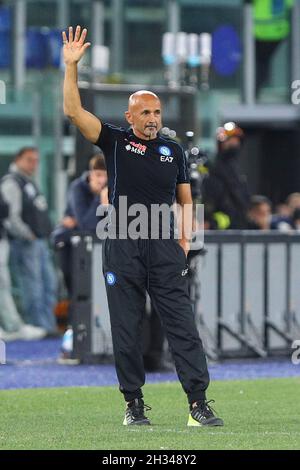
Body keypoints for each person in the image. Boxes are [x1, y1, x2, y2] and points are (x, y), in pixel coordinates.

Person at [62, 25, 223, 427]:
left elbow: (186, 200)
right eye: (145, 112)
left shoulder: (174, 151)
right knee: (126, 328)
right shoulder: (114, 141)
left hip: (165, 244)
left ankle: (197, 404)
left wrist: (184, 239)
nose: (152, 118)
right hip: (123, 243)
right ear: (129, 116)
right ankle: (133, 405)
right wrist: (71, 68)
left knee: (182, 325)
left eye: (157, 112)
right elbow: (73, 112)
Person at [1, 147, 57, 334]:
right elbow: (10, 217)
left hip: (39, 242)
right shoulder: (11, 183)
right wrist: (27, 234)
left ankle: (47, 326)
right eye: (29, 160)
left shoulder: (28, 182)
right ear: (18, 159)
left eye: (36, 160)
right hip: (25, 243)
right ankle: (38, 327)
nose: (33, 164)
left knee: (49, 285)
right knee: (32, 287)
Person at [0, 189, 46, 341]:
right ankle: (12, 325)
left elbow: (4, 208)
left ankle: (12, 325)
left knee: (3, 284)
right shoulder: (13, 181)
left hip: (2, 238)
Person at [202, 122, 250, 230]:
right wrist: (211, 223)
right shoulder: (212, 169)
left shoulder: (236, 170)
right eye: (230, 140)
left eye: (237, 141)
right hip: (218, 230)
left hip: (239, 227)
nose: (234, 144)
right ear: (221, 143)